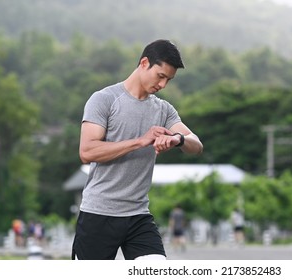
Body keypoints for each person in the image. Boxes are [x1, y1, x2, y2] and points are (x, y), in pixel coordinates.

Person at [71, 39, 203, 260]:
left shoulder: (163, 109)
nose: (163, 85)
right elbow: (87, 152)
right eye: (160, 76)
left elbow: (196, 144)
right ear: (144, 63)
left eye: (168, 80)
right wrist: (140, 141)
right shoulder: (104, 100)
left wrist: (177, 139)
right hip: (98, 214)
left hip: (138, 216)